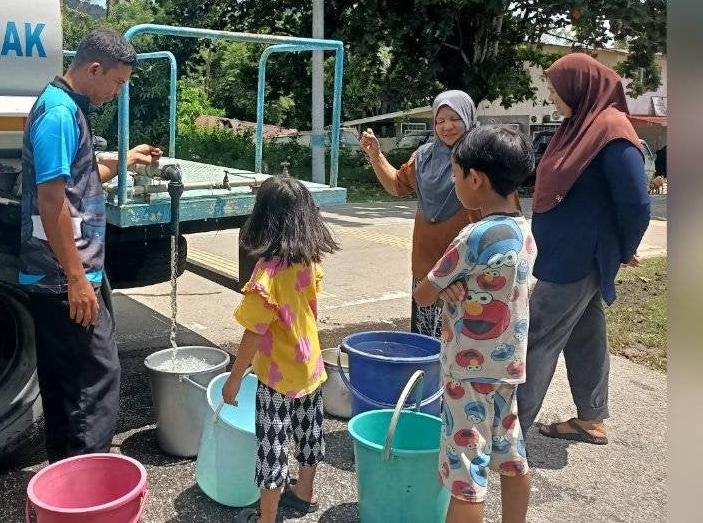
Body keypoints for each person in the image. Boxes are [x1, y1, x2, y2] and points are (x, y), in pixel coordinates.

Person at [19, 28, 162, 462]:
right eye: (117, 83)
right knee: (92, 387)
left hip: (70, 272)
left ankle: (65, 485)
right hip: (64, 276)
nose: (118, 93)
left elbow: (78, 183)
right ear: (94, 68)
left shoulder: (66, 109)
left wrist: (125, 160)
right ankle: (87, 488)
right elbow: (51, 201)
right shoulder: (59, 115)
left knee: (70, 388)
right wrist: (77, 280)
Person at [517, 53, 651, 444]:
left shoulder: (611, 131)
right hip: (565, 252)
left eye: (556, 88)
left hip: (579, 256)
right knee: (586, 332)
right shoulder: (579, 126)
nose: (551, 95)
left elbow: (637, 203)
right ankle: (591, 417)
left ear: (581, 86)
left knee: (538, 336)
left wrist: (625, 248)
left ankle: (507, 432)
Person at [413, 125, 537, 523]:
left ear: (476, 179)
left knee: (467, 469)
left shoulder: (474, 236)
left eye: (455, 174)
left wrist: (447, 285)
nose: (454, 182)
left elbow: (424, 293)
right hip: (508, 366)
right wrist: (460, 285)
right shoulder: (523, 230)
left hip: (467, 370)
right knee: (511, 454)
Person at [221, 175, 340, 523]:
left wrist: (234, 378)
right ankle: (305, 493)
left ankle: (266, 518)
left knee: (272, 449)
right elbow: (311, 307)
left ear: (263, 218)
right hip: (310, 366)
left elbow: (253, 332)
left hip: (276, 376)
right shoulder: (309, 259)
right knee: (309, 432)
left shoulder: (267, 275)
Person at [361, 91, 480, 338]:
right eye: (440, 120)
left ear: (468, 118)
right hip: (426, 270)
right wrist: (376, 154)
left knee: (463, 351)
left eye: (454, 118)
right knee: (426, 345)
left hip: (468, 274)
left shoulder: (483, 156)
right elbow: (396, 185)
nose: (447, 126)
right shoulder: (424, 157)